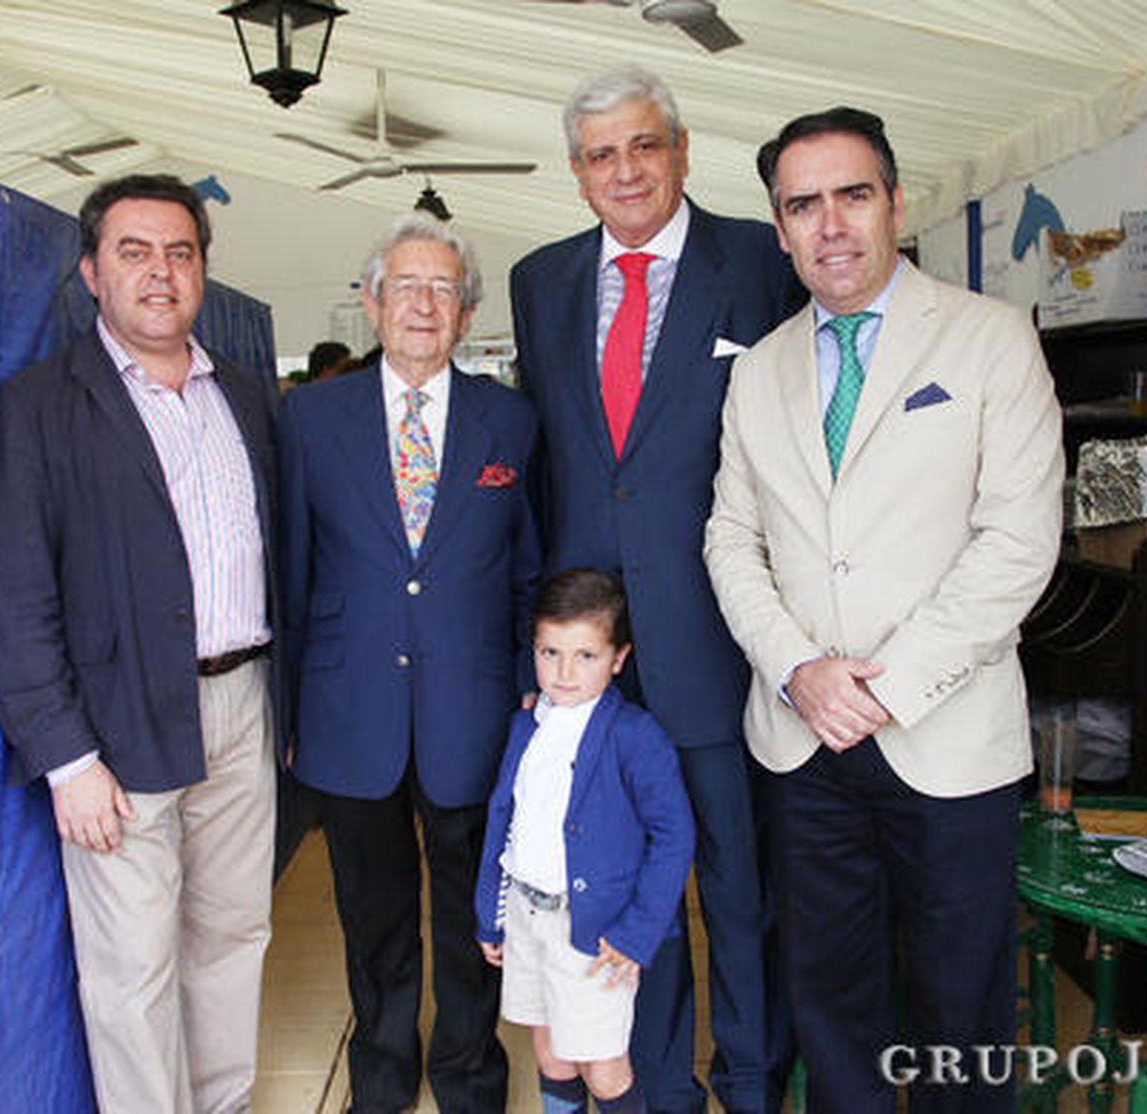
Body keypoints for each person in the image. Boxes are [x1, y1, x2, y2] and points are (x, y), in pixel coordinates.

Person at [703, 106, 1065, 1113]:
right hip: (800, 738)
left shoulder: (990, 340)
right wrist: (797, 670)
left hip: (944, 734)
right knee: (830, 1007)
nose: (830, 225)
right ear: (777, 228)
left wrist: (888, 687)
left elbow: (1018, 542)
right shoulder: (759, 369)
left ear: (896, 203)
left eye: (851, 195)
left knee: (960, 1015)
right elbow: (730, 537)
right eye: (801, 205)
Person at [510, 65, 804, 1114]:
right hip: (598, 658)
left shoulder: (760, 263)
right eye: (600, 155)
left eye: (644, 146)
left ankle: (755, 1079)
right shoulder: (538, 282)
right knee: (622, 891)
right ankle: (659, 1087)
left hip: (722, 636)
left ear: (680, 150)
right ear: (577, 174)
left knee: (738, 885)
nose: (625, 171)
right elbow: (554, 467)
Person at [0, 174, 278, 1113]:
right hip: (117, 725)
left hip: (244, 705)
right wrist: (66, 759)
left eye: (180, 253)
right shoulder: (35, 409)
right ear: (90, 274)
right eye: (134, 252)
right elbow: (17, 599)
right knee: (133, 966)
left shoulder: (245, 396)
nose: (160, 272)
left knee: (234, 935)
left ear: (202, 273)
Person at [278, 212, 539, 1114]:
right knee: (373, 915)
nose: (424, 305)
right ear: (372, 301)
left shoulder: (512, 421)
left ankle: (470, 1076)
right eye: (407, 286)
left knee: (475, 918)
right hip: (351, 713)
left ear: (466, 315)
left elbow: (528, 573)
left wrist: (531, 700)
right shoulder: (310, 417)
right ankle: (382, 1076)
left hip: (475, 711)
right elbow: (291, 574)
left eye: (443, 290)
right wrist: (288, 721)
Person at [475, 569, 695, 1114]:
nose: (564, 672)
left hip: (596, 936)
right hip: (527, 918)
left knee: (603, 1069)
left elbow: (674, 837)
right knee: (550, 1054)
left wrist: (638, 932)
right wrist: (490, 913)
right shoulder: (525, 726)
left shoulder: (635, 736)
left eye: (586, 656)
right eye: (550, 653)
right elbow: (505, 821)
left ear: (619, 658)